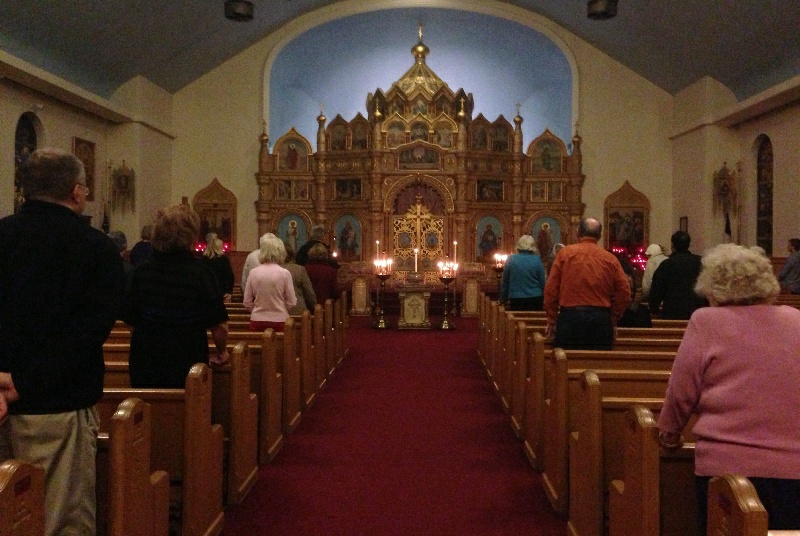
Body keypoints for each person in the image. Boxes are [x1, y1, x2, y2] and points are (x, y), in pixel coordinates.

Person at [0, 147, 124, 536]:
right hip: (57, 404)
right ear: (76, 192)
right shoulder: (97, 249)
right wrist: (24, 384)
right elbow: (87, 333)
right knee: (60, 516)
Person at [657, 244, 800, 532]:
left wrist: (669, 431)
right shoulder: (795, 319)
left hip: (726, 468)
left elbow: (683, 389)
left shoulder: (706, 321)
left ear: (712, 285)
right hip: (792, 466)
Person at [122, 204, 230, 388]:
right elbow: (219, 326)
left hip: (146, 360)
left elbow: (131, 318)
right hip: (188, 360)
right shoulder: (201, 273)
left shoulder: (141, 271)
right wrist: (222, 352)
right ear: (191, 236)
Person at [543, 217, 631, 350]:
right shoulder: (610, 259)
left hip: (570, 320)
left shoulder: (564, 254)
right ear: (600, 235)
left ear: (578, 232)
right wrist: (612, 318)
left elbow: (551, 291)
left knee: (565, 366)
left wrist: (552, 320)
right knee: (599, 366)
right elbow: (624, 293)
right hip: (600, 321)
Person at [244, 234, 297, 332]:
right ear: (281, 252)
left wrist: (258, 312)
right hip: (280, 320)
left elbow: (247, 302)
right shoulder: (285, 273)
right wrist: (282, 310)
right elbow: (292, 302)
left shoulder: (253, 272)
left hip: (257, 320)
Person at [648, 230, 704, 319]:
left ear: (672, 245)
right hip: (697, 314)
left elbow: (656, 290)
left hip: (672, 314)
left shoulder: (666, 265)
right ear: (688, 244)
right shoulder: (701, 263)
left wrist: (654, 309)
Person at [499, 235, 547, 311]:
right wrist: (546, 298)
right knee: (534, 321)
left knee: (516, 321)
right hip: (535, 298)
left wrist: (502, 299)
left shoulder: (511, 259)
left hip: (516, 298)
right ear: (533, 245)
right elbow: (542, 282)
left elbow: (505, 282)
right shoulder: (537, 259)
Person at [282, 241, 317, 315]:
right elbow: (309, 293)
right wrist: (314, 307)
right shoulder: (299, 269)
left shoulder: (272, 270)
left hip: (277, 313)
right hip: (297, 312)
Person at [201, 232, 235, 301]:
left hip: (206, 294)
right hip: (221, 293)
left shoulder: (203, 260)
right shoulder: (223, 259)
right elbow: (229, 276)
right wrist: (229, 291)